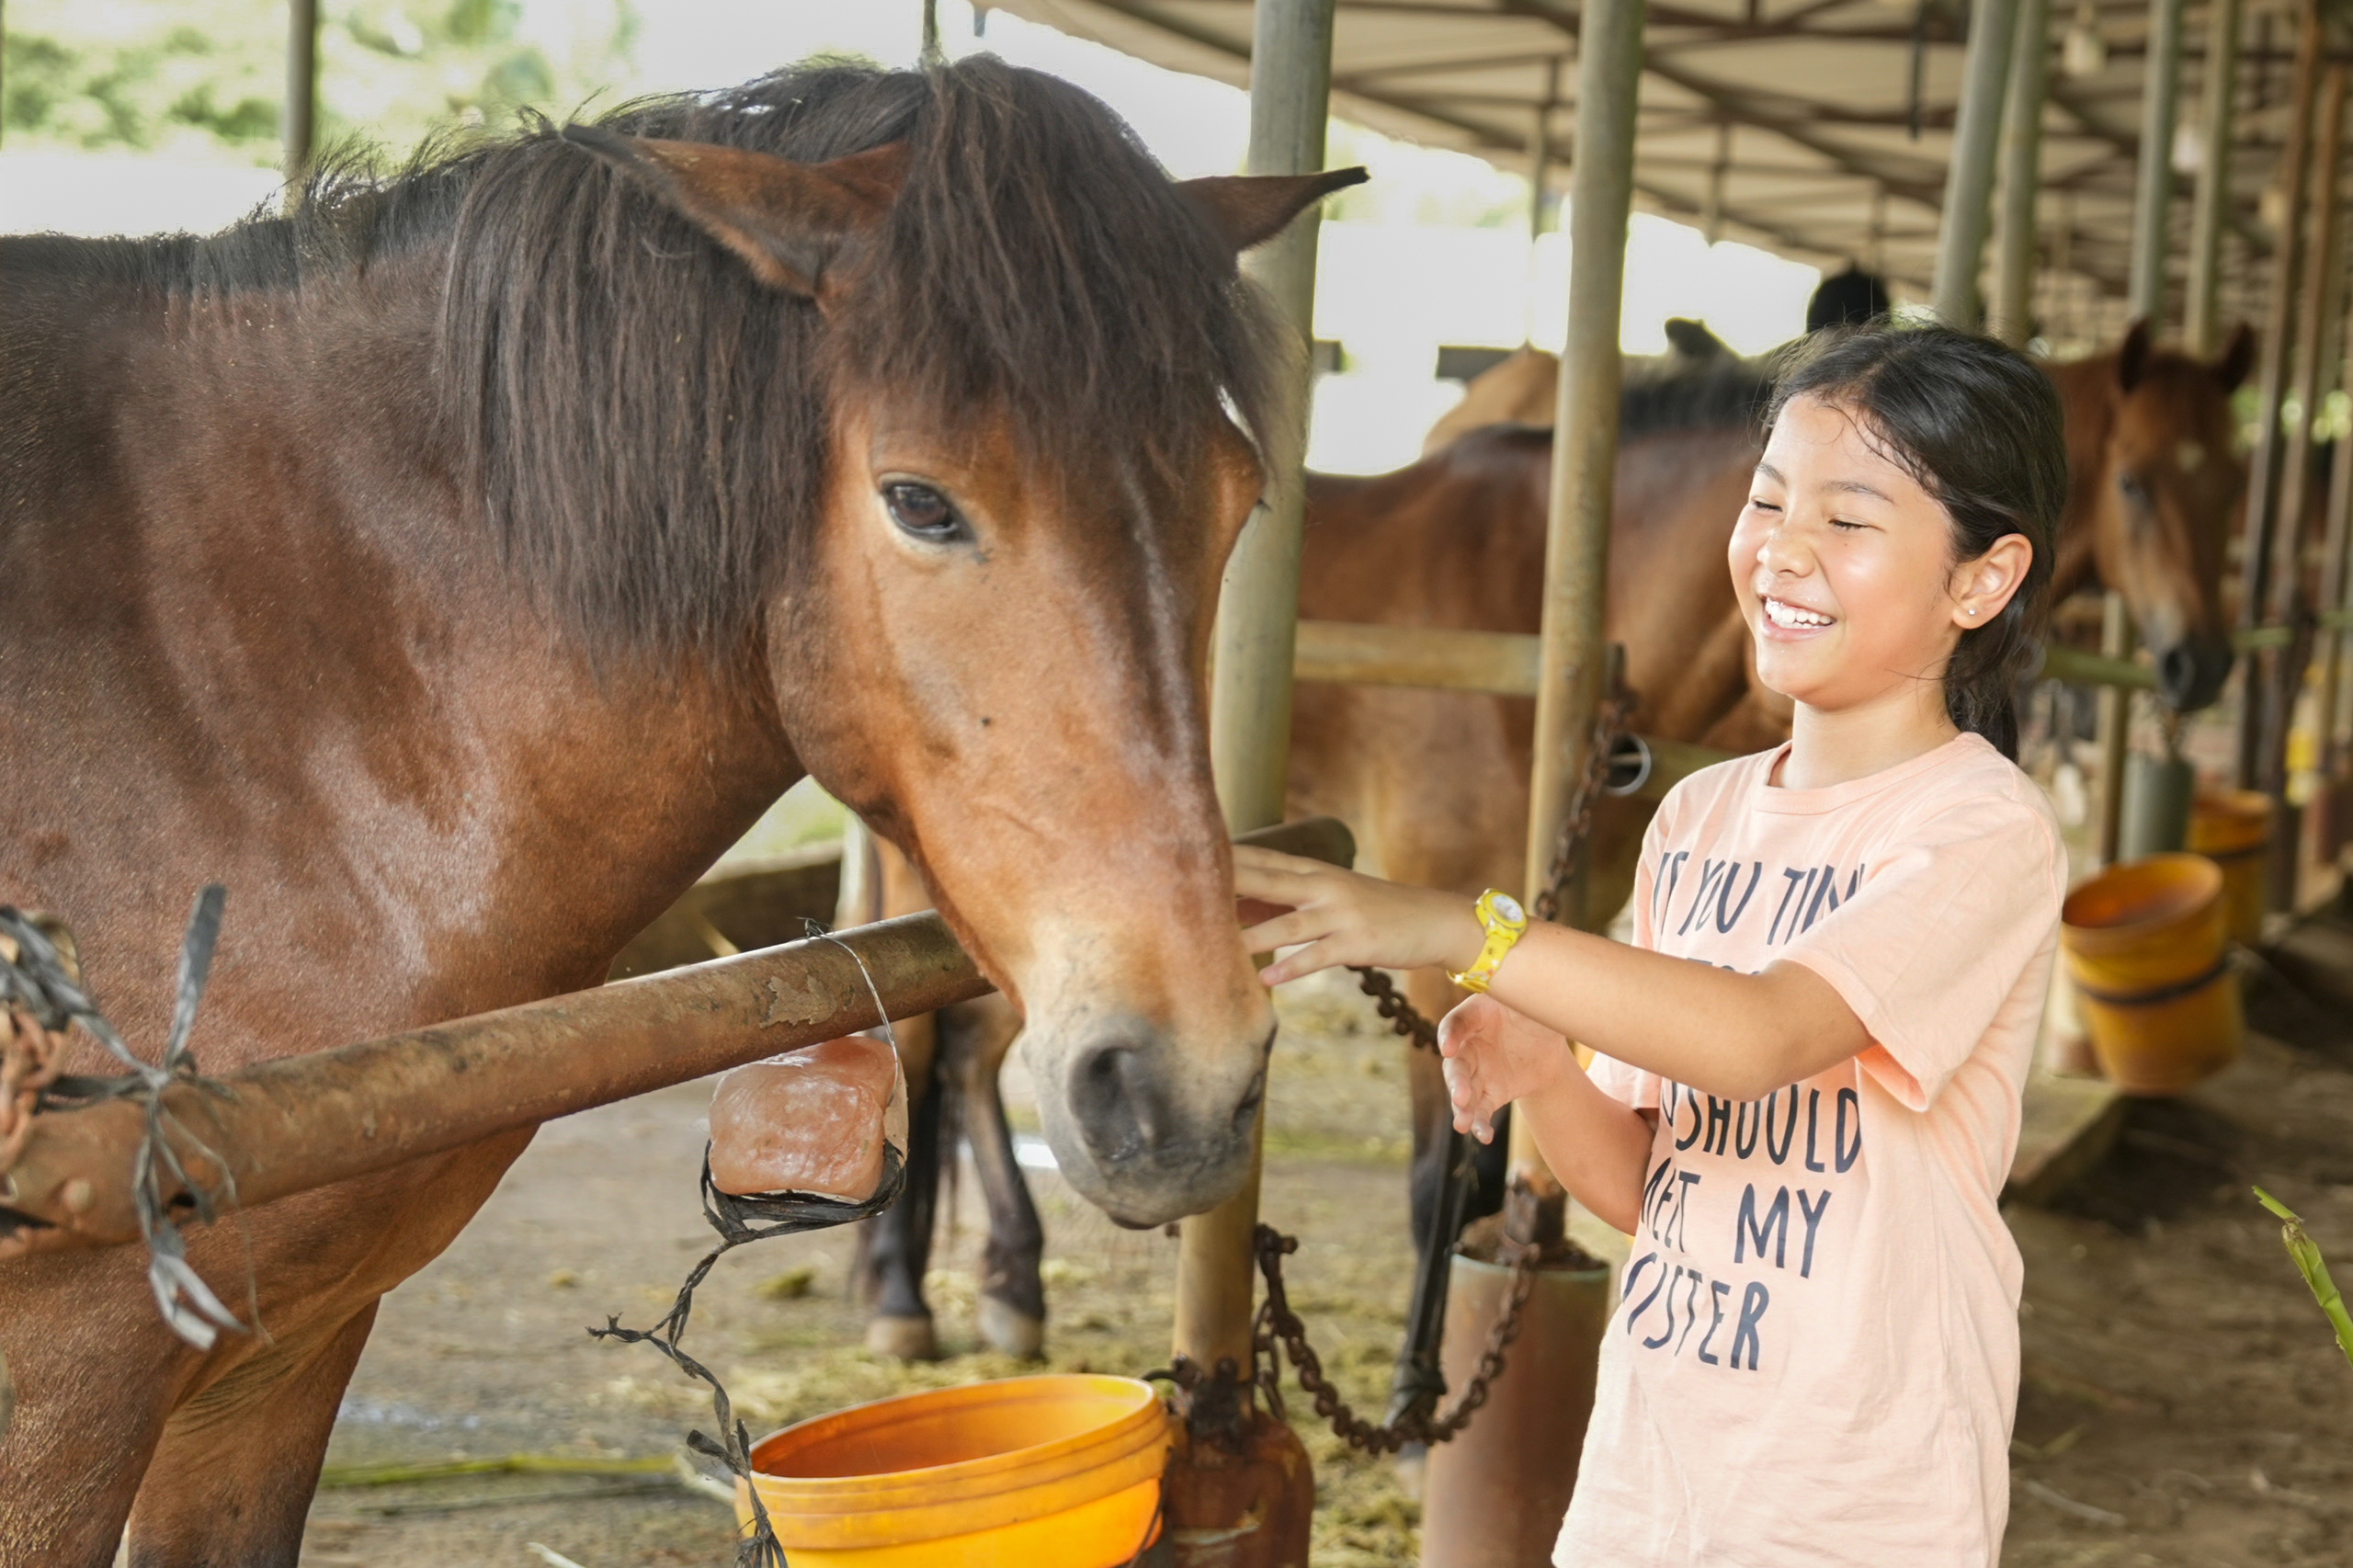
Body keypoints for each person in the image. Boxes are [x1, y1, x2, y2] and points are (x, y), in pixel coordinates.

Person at [1233, 323, 2069, 1566]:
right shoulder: (1700, 817)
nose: (1781, 546)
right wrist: (1549, 1076)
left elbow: (1758, 1036)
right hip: (1652, 1477)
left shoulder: (1978, 829)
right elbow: (1642, 1186)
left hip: (1859, 1492)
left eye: (1848, 519)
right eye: (1768, 498)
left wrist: (1459, 926)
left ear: (1979, 580)